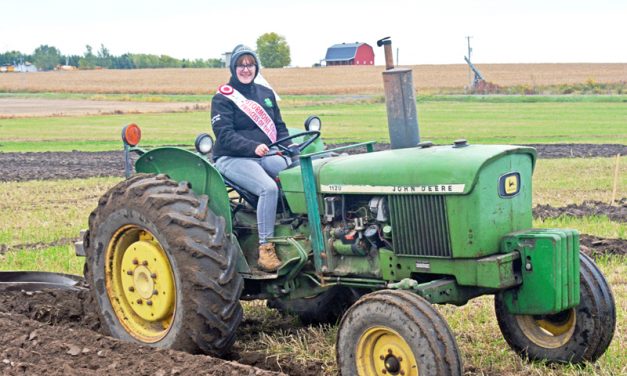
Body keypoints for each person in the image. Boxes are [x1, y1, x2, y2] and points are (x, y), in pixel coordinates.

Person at [211, 44, 292, 272]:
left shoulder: (265, 94)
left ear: (256, 67)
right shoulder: (223, 98)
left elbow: (279, 127)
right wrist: (252, 146)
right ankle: (266, 249)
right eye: (241, 65)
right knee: (268, 188)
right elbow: (224, 136)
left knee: (294, 173)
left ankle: (294, 227)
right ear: (233, 67)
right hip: (233, 157)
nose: (246, 69)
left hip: (265, 154)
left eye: (250, 64)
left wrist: (290, 147)